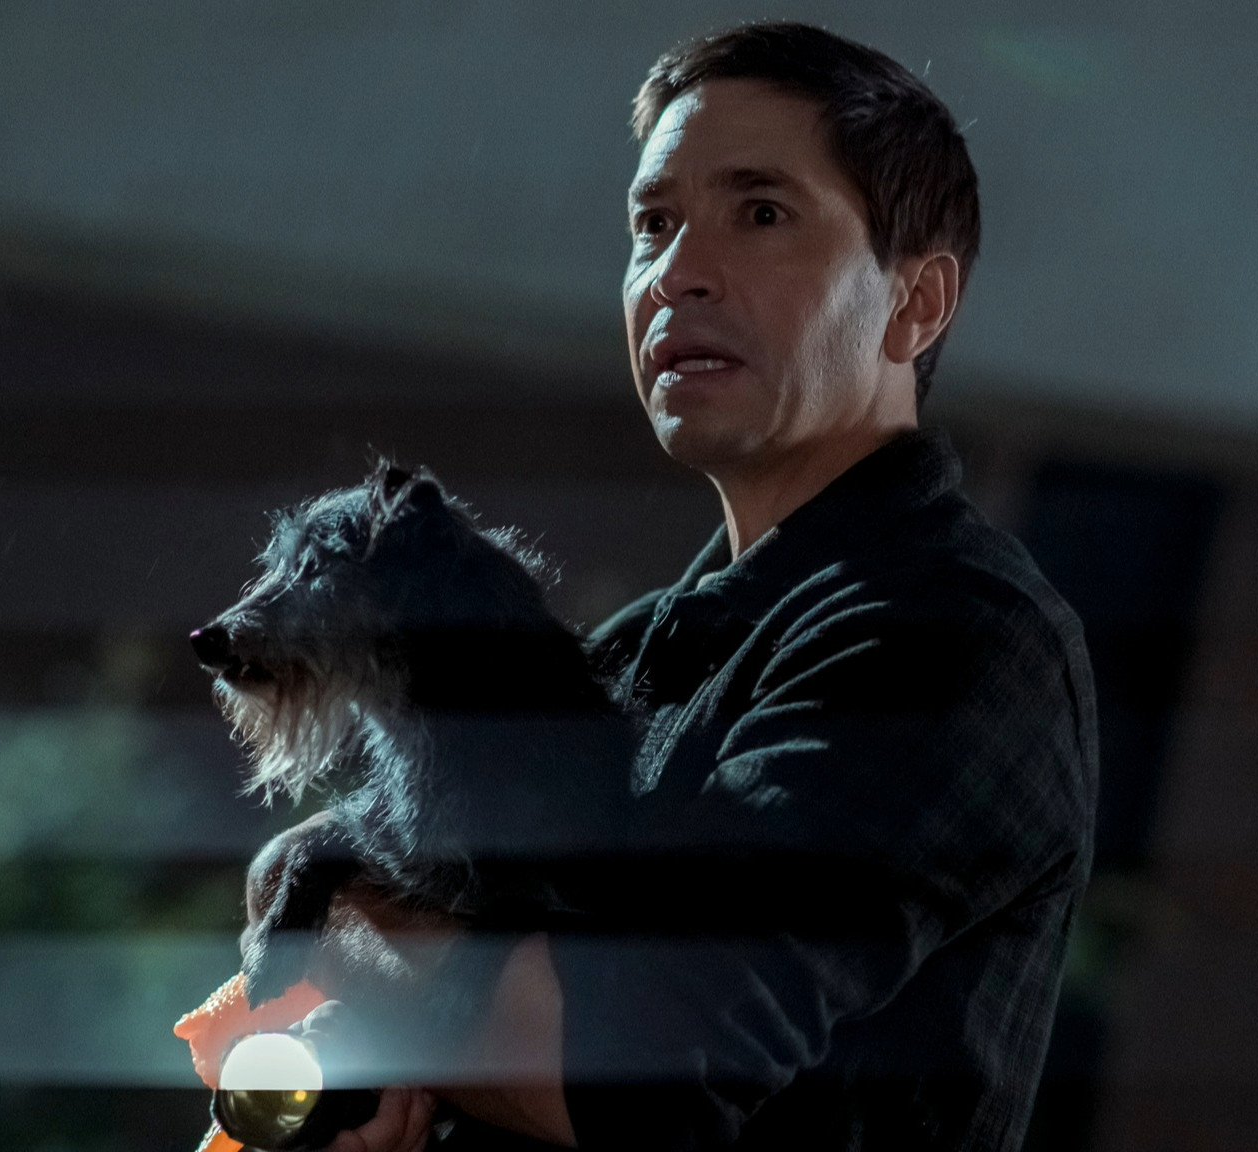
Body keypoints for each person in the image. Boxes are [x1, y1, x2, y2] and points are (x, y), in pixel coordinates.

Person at [309, 22, 1098, 1151]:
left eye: (761, 214)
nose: (677, 272)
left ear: (917, 303)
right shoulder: (633, 655)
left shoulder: (955, 638)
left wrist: (331, 911)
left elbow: (633, 1071)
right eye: (652, 224)